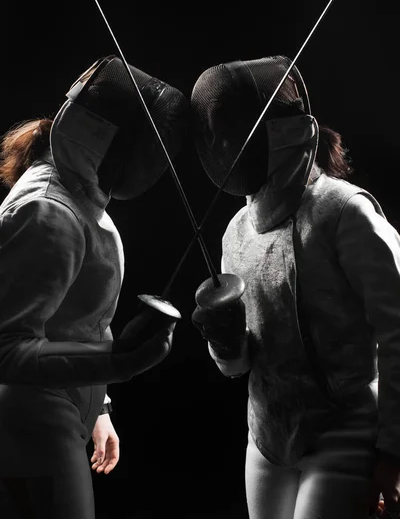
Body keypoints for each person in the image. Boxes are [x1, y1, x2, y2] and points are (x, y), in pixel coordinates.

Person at [190, 55, 400, 519]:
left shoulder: (344, 211)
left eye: (236, 129)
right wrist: (225, 343)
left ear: (280, 132)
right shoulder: (236, 231)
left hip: (345, 431)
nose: (225, 144)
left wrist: (393, 453)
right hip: (266, 436)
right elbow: (241, 366)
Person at [0, 54, 187, 519]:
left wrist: (99, 407)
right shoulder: (49, 212)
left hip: (57, 413)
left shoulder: (77, 194)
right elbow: (6, 348)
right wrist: (117, 361)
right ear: (105, 139)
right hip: (30, 426)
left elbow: (75, 323)